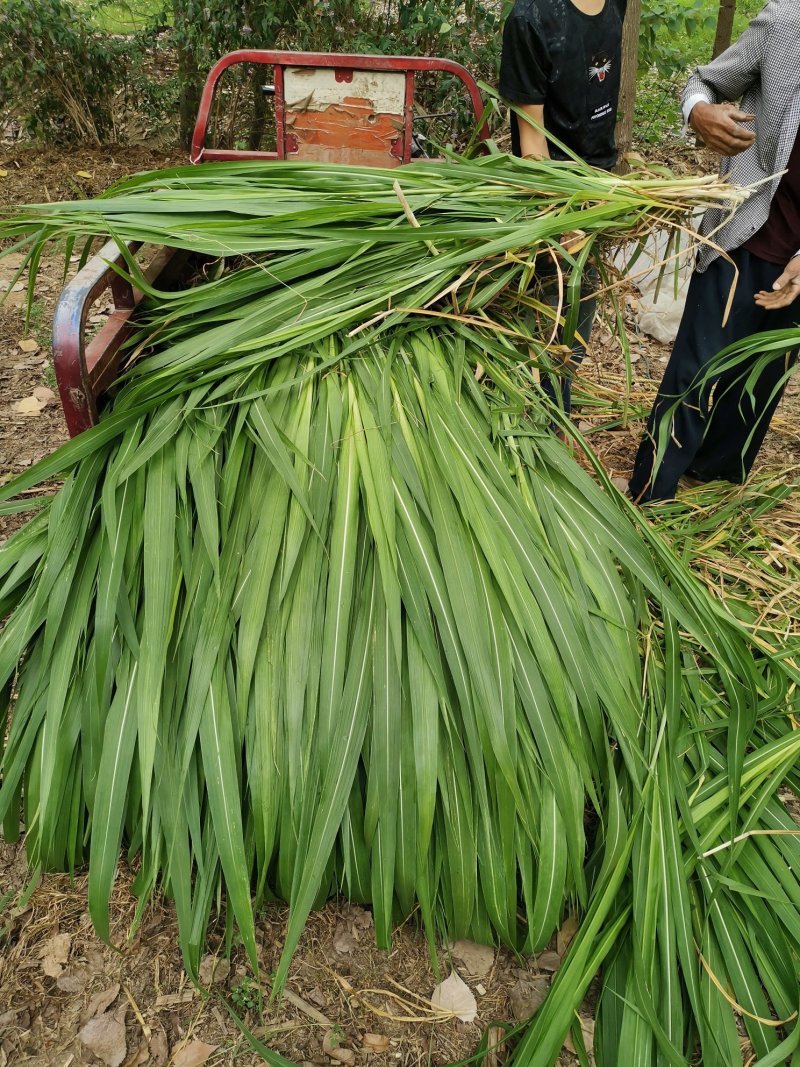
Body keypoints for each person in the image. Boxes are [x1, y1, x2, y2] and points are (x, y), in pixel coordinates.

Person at [629, 0, 800, 503]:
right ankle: (650, 494)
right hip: (747, 231)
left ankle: (712, 496)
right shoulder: (787, 22)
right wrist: (699, 111)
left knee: (759, 384)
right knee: (696, 373)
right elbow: (704, 81)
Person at [499, 0, 627, 416]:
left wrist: (606, 191)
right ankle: (539, 436)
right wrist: (564, 217)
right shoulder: (530, 19)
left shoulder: (614, 5)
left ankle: (555, 417)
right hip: (551, 201)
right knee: (546, 332)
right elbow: (532, 144)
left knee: (576, 331)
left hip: (597, 192)